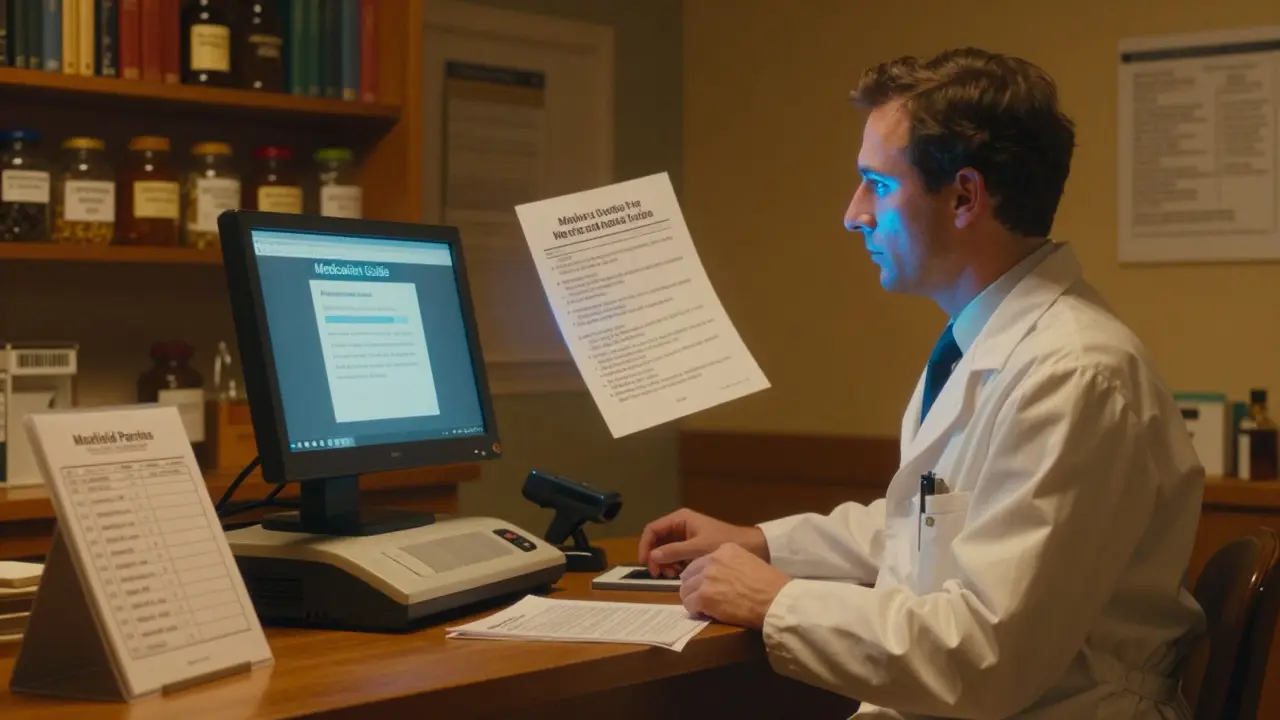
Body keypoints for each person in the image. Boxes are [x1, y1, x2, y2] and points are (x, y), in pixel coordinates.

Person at [638, 47, 1206, 719]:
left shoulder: (1073, 373)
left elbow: (987, 660)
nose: (854, 214)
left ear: (965, 196)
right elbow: (927, 530)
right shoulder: (992, 346)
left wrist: (776, 600)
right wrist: (761, 543)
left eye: (876, 184)